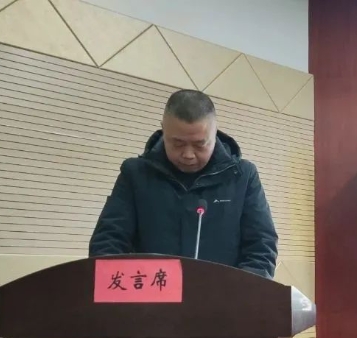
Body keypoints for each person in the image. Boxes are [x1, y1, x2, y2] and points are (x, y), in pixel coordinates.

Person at [88, 89, 278, 279]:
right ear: (164, 129)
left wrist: (240, 292)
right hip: (150, 293)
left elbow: (261, 247)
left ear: (214, 133)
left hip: (224, 295)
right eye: (177, 144)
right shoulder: (136, 174)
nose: (188, 155)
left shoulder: (243, 176)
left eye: (200, 145)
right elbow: (109, 242)